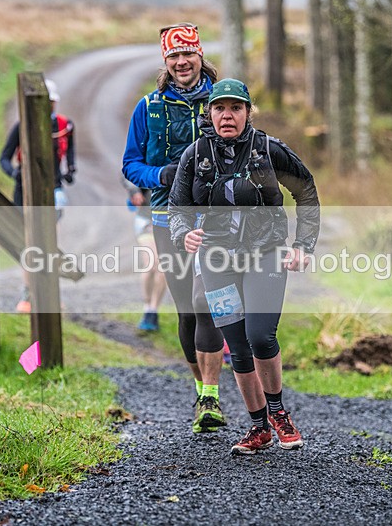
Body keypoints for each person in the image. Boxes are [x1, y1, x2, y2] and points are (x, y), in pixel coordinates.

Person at [168, 78, 321, 455]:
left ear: (248, 112)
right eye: (220, 108)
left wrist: (303, 244)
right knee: (236, 345)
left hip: (265, 252)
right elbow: (177, 207)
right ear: (209, 113)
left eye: (236, 108)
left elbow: (306, 190)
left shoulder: (269, 149)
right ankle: (258, 428)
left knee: (260, 335)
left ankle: (278, 413)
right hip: (216, 259)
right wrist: (183, 233)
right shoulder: (195, 155)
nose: (227, 115)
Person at [122, 23, 227, 433]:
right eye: (173, 56)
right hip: (167, 217)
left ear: (200, 56)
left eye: (188, 54)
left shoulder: (222, 101)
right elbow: (130, 164)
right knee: (187, 309)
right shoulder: (147, 108)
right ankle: (201, 391)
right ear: (165, 61)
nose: (182, 62)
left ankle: (212, 395)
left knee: (207, 302)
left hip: (216, 216)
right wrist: (160, 175)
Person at [0, 79, 76, 313]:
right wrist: (14, 173)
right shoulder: (22, 127)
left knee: (49, 242)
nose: (48, 106)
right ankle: (28, 293)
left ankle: (50, 295)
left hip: (53, 190)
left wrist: (70, 170)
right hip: (24, 192)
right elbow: (4, 158)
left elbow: (70, 155)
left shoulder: (64, 125)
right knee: (29, 243)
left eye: (50, 102)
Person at [123, 179, 167, 331]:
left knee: (163, 268)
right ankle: (147, 306)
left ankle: (152, 311)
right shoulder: (150, 162)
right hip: (146, 219)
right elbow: (127, 173)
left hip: (170, 221)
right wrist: (134, 191)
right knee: (150, 264)